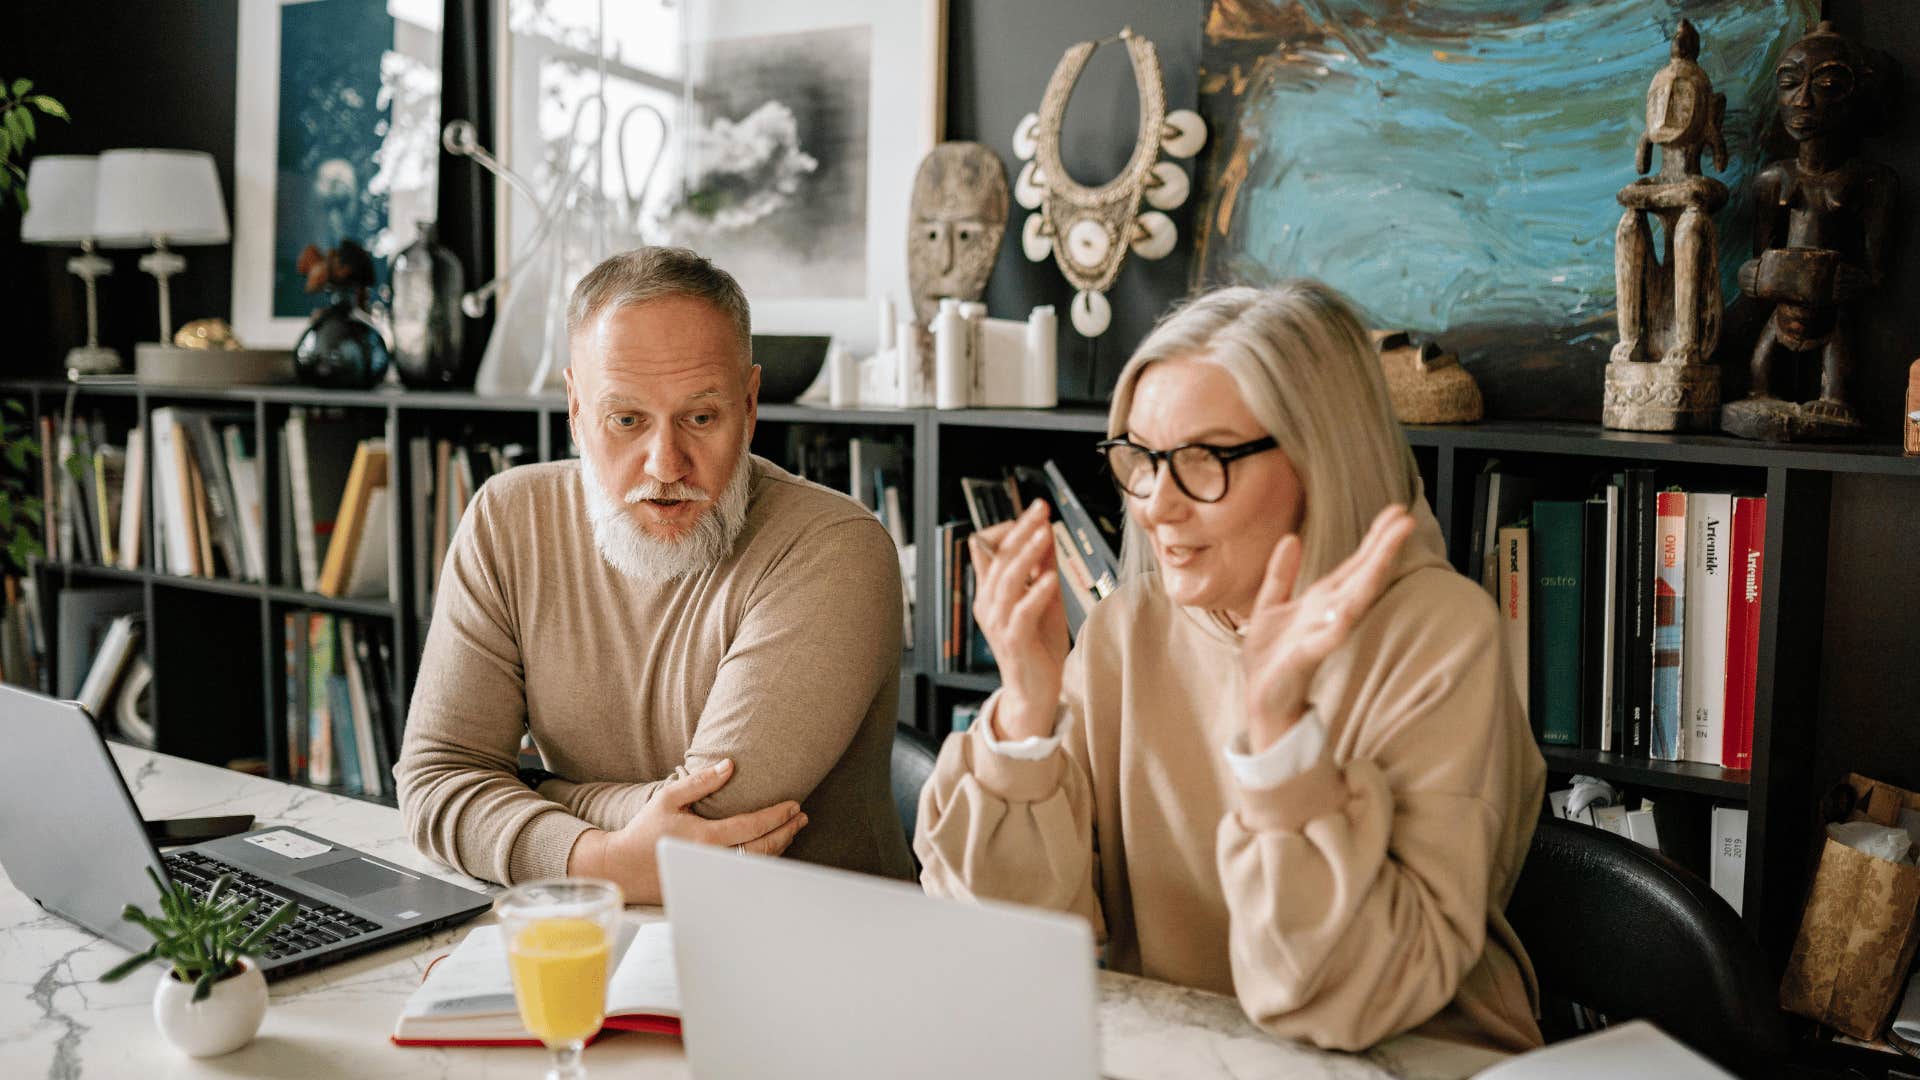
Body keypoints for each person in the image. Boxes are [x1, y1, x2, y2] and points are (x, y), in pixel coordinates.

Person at [916, 281, 1545, 1052]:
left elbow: (1345, 1002)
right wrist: (1025, 713)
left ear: (1323, 456)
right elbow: (1007, 948)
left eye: (1205, 458)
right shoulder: (1126, 628)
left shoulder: (1441, 639)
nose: (1155, 505)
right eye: (1140, 458)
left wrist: (1280, 738)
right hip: (1183, 1051)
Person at [397, 246, 914, 901]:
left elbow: (706, 830)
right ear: (576, 411)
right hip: (603, 934)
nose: (666, 464)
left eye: (700, 418)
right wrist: (605, 859)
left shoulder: (836, 550)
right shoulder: (507, 519)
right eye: (626, 420)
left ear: (750, 407)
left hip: (817, 956)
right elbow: (436, 781)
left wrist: (533, 790)